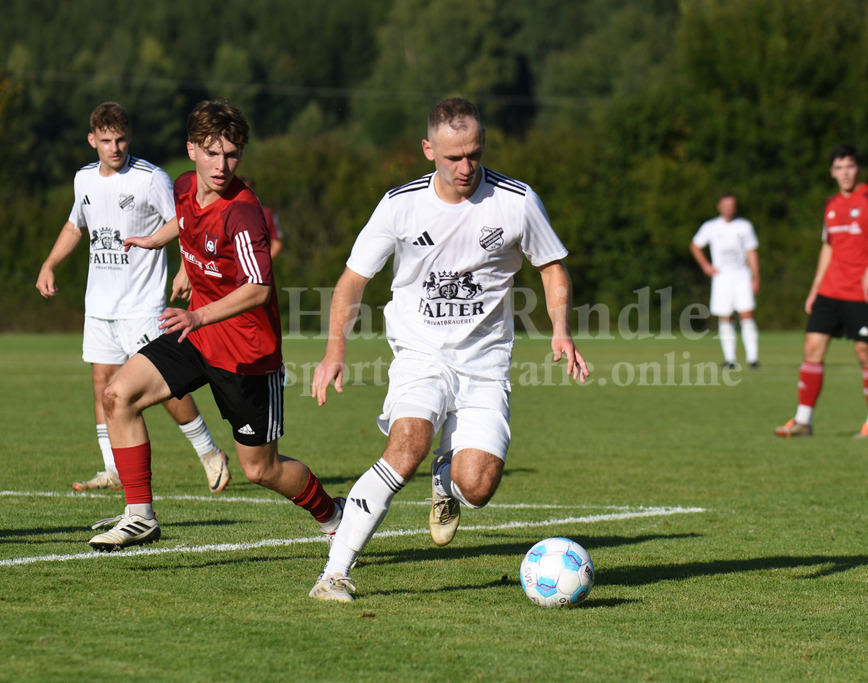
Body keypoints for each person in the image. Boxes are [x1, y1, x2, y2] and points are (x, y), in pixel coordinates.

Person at [309, 97, 588, 603]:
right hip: (420, 352)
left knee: (477, 486)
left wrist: (561, 330)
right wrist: (334, 350)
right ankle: (335, 573)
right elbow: (352, 281)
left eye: (474, 154)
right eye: (453, 157)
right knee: (407, 445)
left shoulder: (516, 200)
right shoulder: (400, 205)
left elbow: (551, 267)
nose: (465, 167)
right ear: (427, 150)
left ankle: (447, 480)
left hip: (484, 362)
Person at [88, 100, 342, 554]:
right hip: (196, 336)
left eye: (231, 154)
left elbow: (259, 288)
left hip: (247, 353)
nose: (222, 165)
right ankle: (140, 516)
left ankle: (333, 514)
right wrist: (153, 241)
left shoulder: (243, 213)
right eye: (212, 152)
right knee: (117, 396)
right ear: (191, 150)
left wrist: (199, 313)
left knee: (261, 470)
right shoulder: (185, 186)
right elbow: (183, 223)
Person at [35, 102, 230, 494]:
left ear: (129, 137)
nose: (114, 147)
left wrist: (185, 269)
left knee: (164, 389)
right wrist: (49, 263)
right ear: (92, 140)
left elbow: (187, 220)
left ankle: (210, 453)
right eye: (105, 140)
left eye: (121, 139)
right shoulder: (84, 179)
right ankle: (113, 468)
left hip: (142, 305)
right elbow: (76, 225)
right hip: (101, 306)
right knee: (102, 384)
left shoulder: (150, 178)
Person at [775, 145, 868, 438]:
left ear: (859, 169)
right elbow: (828, 247)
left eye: (850, 166)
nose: (845, 173)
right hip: (830, 290)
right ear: (832, 172)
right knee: (812, 349)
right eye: (839, 167)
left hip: (862, 292)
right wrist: (814, 288)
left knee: (864, 352)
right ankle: (803, 421)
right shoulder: (831, 204)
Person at [690, 192, 760, 370]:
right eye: (726, 204)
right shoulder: (711, 226)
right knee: (725, 316)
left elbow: (751, 252)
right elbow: (695, 245)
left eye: (732, 204)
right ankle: (730, 359)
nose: (729, 208)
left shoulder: (744, 226)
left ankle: (752, 358)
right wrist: (706, 266)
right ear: (719, 206)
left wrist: (755, 276)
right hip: (722, 278)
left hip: (742, 276)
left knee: (746, 315)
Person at [239, 175, 283, 259]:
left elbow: (277, 244)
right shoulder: (226, 214)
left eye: (247, 190)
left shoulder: (267, 214)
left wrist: (262, 262)